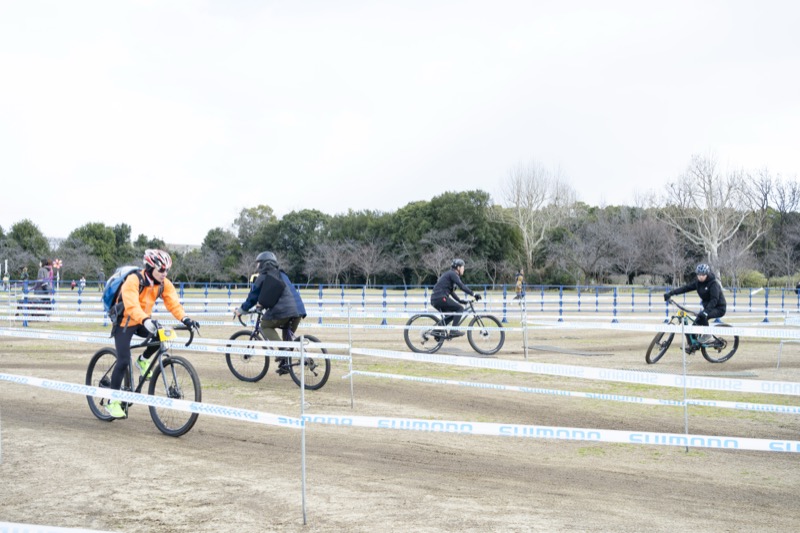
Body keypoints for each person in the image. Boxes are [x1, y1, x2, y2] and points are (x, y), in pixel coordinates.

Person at [105, 249, 200, 419]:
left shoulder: (164, 284)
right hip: (124, 322)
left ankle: (143, 361)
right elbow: (132, 305)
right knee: (124, 360)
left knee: (161, 333)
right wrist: (146, 320)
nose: (165, 274)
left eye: (167, 270)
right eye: (161, 270)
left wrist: (186, 319)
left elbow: (174, 304)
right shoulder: (133, 280)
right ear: (150, 267)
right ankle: (112, 401)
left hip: (142, 321)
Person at [234, 251, 306, 375]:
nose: (257, 267)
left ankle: (282, 351)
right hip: (298, 311)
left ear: (264, 264)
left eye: (258, 264)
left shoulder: (263, 277)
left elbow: (253, 296)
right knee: (286, 334)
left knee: (265, 325)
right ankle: (285, 364)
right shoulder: (283, 275)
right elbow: (277, 294)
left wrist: (241, 310)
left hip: (285, 311)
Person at [663, 263, 726, 343]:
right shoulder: (698, 283)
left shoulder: (713, 284)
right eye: (699, 275)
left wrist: (706, 312)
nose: (700, 276)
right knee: (693, 327)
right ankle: (693, 346)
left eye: (703, 275)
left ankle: (708, 335)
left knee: (703, 317)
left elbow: (714, 299)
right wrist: (671, 293)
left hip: (718, 308)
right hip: (707, 308)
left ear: (707, 274)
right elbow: (685, 288)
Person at [430, 258, 481, 337]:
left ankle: (436, 331)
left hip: (436, 299)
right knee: (460, 309)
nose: (463, 269)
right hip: (440, 298)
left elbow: (451, 292)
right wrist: (473, 294)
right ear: (458, 268)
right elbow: (462, 286)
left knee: (452, 316)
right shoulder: (453, 274)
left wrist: (460, 300)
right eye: (463, 267)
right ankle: (453, 331)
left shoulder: (449, 275)